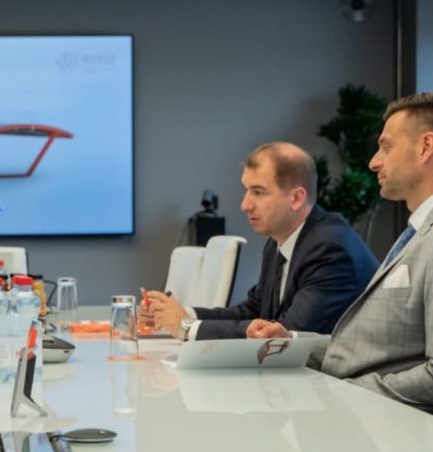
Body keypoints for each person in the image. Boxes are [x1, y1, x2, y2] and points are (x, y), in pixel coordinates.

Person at [249, 93, 433, 415]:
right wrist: (292, 341)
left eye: (386, 146)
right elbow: (372, 349)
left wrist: (337, 393)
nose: (374, 162)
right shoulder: (429, 228)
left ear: (426, 147)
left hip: (404, 433)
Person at [143, 142, 378, 340]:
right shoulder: (279, 241)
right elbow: (253, 311)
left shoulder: (330, 248)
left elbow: (282, 337)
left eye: (258, 192)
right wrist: (180, 314)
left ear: (296, 198)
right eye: (246, 190)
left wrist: (186, 327)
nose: (245, 205)